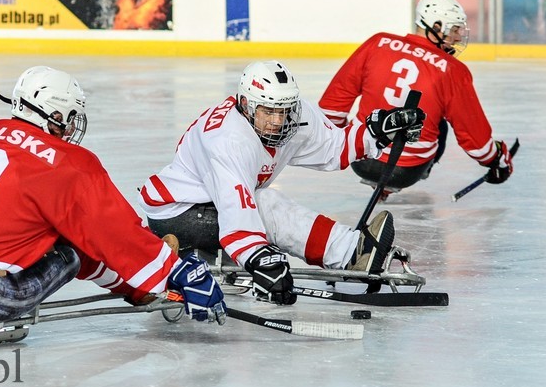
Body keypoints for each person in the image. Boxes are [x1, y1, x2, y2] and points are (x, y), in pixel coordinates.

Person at [0, 66, 226, 327]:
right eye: (68, 118)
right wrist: (172, 271)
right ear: (54, 114)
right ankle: (137, 285)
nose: (70, 127)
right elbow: (112, 231)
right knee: (75, 240)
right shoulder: (66, 161)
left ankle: (137, 285)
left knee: (47, 222)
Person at [138, 60, 425, 303]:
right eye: (268, 111)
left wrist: (379, 131)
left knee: (262, 198)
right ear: (246, 105)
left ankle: (352, 249)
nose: (277, 121)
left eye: (283, 110)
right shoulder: (227, 139)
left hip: (210, 204)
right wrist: (259, 259)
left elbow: (334, 147)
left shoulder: (293, 116)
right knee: (266, 201)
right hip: (178, 213)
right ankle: (350, 252)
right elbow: (236, 210)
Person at [319, 0, 513, 198]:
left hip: (360, 158)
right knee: (439, 123)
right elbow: (474, 136)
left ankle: (378, 176)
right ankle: (406, 176)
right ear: (436, 27)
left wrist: (339, 140)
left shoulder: (377, 43)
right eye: (454, 29)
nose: (458, 36)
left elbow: (333, 103)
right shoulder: (453, 70)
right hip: (406, 171)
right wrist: (495, 159)